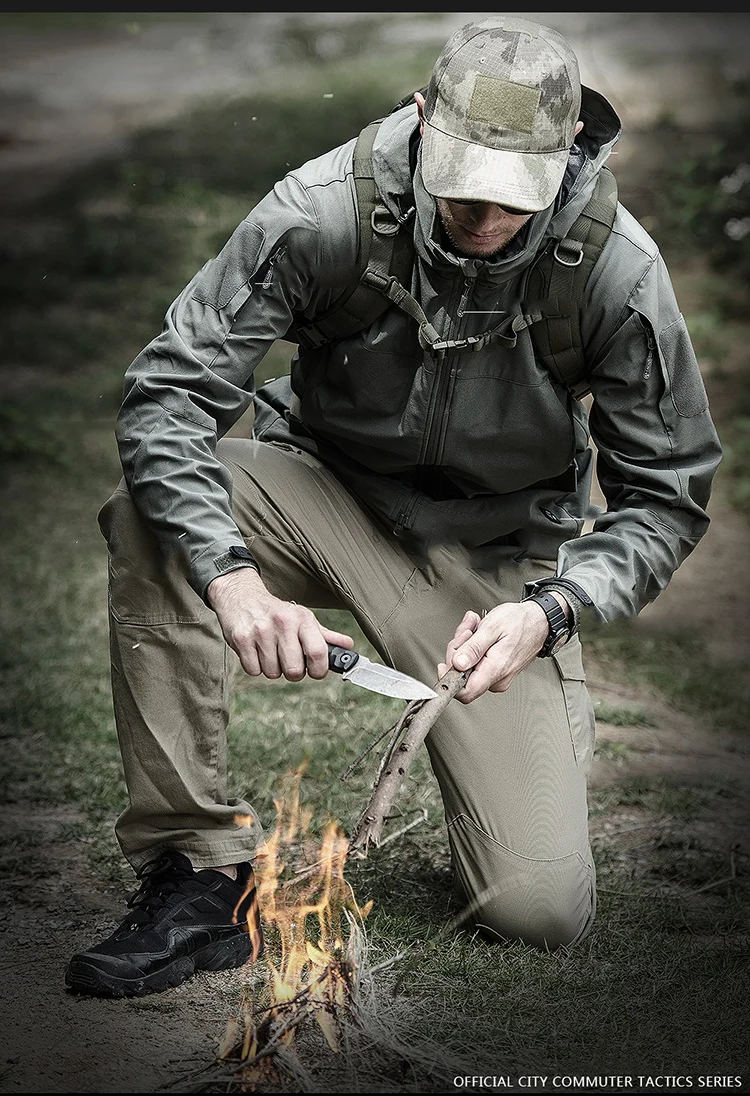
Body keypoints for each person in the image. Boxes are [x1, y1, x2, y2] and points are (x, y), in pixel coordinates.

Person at [65, 15, 722, 998]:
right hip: (322, 495)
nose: (482, 218)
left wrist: (550, 608)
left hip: (495, 562)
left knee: (537, 911)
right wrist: (232, 578)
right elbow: (170, 395)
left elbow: (666, 499)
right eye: (460, 187)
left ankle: (519, 746)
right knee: (153, 511)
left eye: (510, 200)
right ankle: (195, 868)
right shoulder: (322, 211)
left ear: (568, 155)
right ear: (421, 122)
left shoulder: (615, 271)